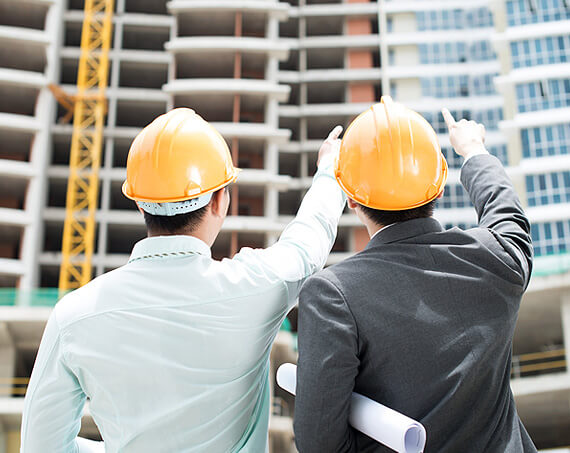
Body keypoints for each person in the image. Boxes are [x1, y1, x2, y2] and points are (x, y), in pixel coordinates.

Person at [21, 108, 347, 452]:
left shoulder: (74, 316)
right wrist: (329, 170)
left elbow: (41, 447)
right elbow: (307, 245)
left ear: (141, 205)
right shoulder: (256, 287)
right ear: (220, 201)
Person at [294, 97, 536, 452]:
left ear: (352, 198)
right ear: (439, 186)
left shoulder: (334, 296)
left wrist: (329, 171)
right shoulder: (496, 259)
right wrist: (473, 151)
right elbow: (508, 216)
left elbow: (319, 444)